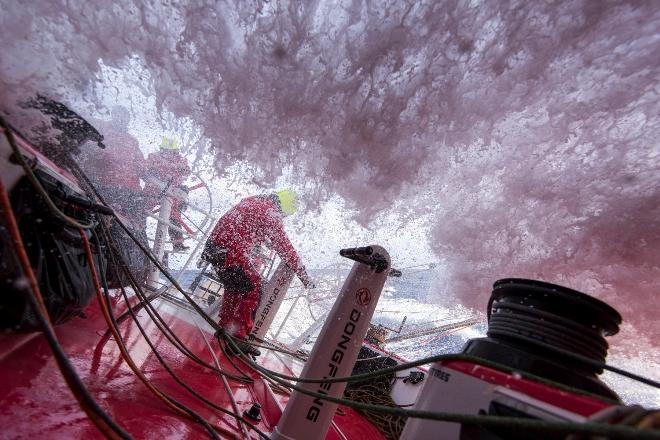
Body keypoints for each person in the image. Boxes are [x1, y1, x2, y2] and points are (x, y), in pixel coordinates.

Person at [202, 189, 314, 356]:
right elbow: (284, 246)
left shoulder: (253, 203)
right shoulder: (269, 212)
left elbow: (243, 227)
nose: (283, 218)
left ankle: (226, 328)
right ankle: (238, 338)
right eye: (285, 215)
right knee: (253, 287)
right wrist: (303, 274)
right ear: (284, 207)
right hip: (229, 252)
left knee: (235, 287)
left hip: (214, 248)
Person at [143, 137, 192, 251]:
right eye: (167, 151)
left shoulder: (157, 157)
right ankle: (138, 232)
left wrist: (180, 168)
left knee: (174, 217)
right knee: (143, 210)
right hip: (154, 190)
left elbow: (188, 171)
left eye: (171, 152)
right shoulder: (158, 158)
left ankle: (178, 243)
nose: (169, 154)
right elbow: (145, 169)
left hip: (167, 192)